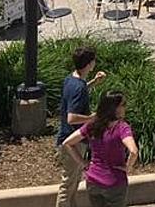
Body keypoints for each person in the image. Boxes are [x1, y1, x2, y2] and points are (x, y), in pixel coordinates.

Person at [62, 91, 138, 207]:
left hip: (93, 180)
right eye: (123, 104)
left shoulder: (92, 125)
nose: (125, 107)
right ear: (115, 108)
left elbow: (67, 143)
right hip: (114, 182)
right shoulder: (122, 127)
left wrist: (83, 163)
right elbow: (133, 151)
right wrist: (127, 168)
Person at [56, 47, 106, 207]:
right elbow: (71, 118)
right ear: (89, 64)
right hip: (73, 141)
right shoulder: (78, 87)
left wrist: (94, 83)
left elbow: (80, 90)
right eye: (94, 61)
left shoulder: (71, 79)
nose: (95, 63)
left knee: (73, 183)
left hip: (70, 138)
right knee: (68, 184)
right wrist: (91, 118)